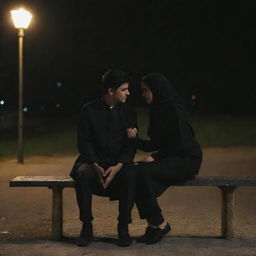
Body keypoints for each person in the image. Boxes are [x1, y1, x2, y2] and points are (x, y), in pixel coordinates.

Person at [127, 73, 202, 244]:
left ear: (157, 90)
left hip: (187, 160)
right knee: (136, 172)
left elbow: (181, 144)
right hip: (171, 158)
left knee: (142, 172)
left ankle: (159, 224)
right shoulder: (157, 109)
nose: (143, 94)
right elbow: (156, 143)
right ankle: (154, 225)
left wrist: (156, 157)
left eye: (146, 90)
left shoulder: (175, 109)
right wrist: (134, 139)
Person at [70, 69, 137, 247]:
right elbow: (83, 141)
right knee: (83, 174)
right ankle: (86, 225)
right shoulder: (89, 109)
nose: (128, 93)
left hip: (118, 162)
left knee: (131, 174)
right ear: (110, 91)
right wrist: (94, 163)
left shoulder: (128, 110)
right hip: (93, 161)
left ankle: (123, 226)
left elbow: (131, 145)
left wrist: (119, 165)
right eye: (124, 89)